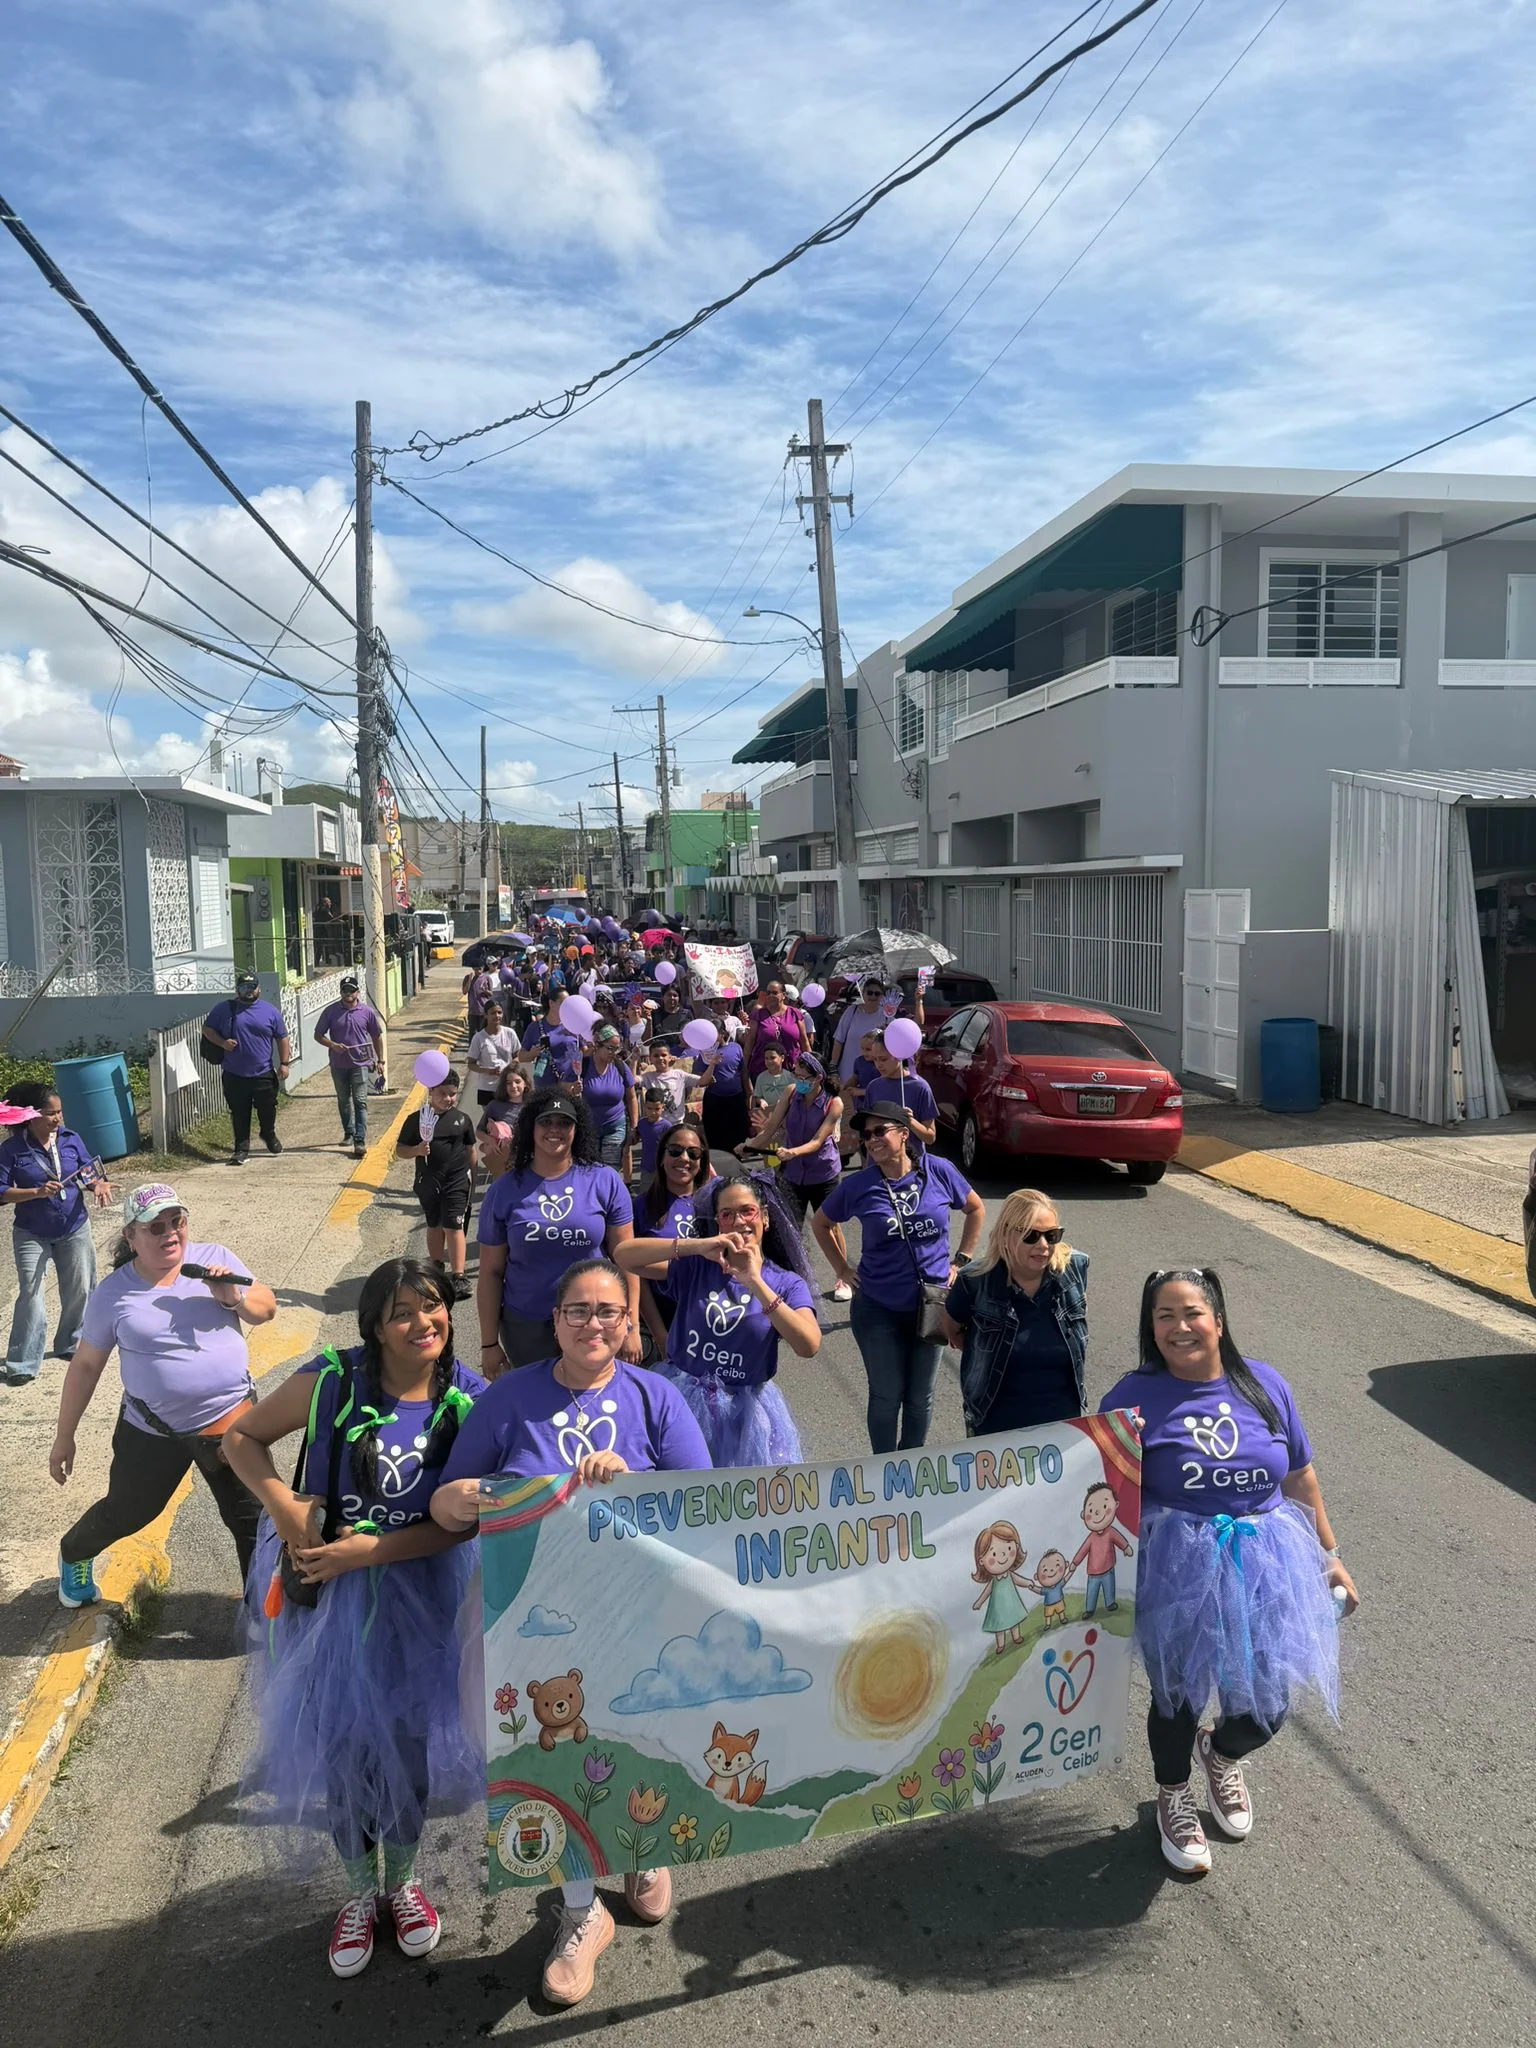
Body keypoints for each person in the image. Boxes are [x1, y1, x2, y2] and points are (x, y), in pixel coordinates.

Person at [431, 1258, 710, 2009]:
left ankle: (644, 1854)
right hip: (526, 1624)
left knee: (639, 1741)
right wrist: (470, 1496)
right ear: (554, 1321)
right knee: (549, 1761)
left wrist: (636, 1487)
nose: (594, 1324)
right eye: (578, 1311)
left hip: (632, 1614)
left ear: (629, 1323)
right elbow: (447, 1504)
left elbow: (704, 1508)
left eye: (609, 1312)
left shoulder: (658, 1400)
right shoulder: (507, 1399)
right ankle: (581, 1908)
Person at [226, 1258, 484, 1977]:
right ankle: (353, 1894)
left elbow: (462, 1527)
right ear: (374, 1324)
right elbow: (240, 1440)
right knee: (343, 1746)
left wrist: (370, 1554)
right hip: (330, 1604)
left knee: (404, 1745)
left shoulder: (466, 1397)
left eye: (433, 1306)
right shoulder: (332, 1379)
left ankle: (400, 1885)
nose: (422, 1322)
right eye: (403, 1311)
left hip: (419, 1594)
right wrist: (286, 1509)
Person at [1100, 1267, 1358, 1876]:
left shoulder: (1264, 1384)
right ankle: (1173, 1795)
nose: (1179, 1327)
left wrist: (1330, 1554)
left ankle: (1221, 1753)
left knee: (1265, 1708)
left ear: (1217, 1318)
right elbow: (1103, 1488)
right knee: (1177, 1698)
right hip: (1176, 1565)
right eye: (1164, 1316)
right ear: (1150, 1327)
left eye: (1191, 1312)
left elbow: (1298, 1476)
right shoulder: (1130, 1398)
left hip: (1268, 1561)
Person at [49, 1184, 276, 1605]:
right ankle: (74, 1551)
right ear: (130, 1238)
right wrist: (65, 1436)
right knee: (129, 1510)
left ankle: (261, 1610)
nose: (170, 1233)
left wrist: (233, 1297)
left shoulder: (214, 1259)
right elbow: (85, 1367)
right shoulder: (114, 1293)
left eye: (177, 1222)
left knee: (253, 1520)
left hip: (231, 1421)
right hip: (153, 1429)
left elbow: (266, 1308)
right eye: (155, 1227)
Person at [614, 1170, 819, 1466]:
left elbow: (808, 1345)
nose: (738, 1221)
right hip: (682, 1399)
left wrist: (756, 1283)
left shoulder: (786, 1283)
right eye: (726, 1214)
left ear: (765, 1217)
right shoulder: (697, 1266)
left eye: (747, 1211)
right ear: (717, 1222)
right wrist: (696, 1246)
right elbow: (624, 1256)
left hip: (745, 1414)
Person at [813, 1102, 985, 1454]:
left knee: (921, 1396)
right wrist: (842, 1269)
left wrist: (961, 1260)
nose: (871, 1140)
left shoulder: (939, 1172)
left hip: (933, 1304)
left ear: (904, 1134)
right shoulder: (859, 1185)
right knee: (887, 1395)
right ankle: (884, 1470)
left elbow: (975, 1208)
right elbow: (821, 1223)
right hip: (878, 1309)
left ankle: (911, 1468)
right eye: (866, 1135)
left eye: (880, 1132)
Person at [474, 1091, 640, 1373]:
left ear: (577, 1130)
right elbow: (490, 1272)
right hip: (527, 1326)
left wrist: (631, 1324)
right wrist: (489, 1344)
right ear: (531, 1128)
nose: (555, 1129)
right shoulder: (504, 1190)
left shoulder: (605, 1181)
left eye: (564, 1123)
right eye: (546, 1121)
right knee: (536, 1411)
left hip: (594, 1322)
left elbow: (627, 1259)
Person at [941, 1190, 1088, 1435]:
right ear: (1006, 1235)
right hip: (995, 1425)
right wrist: (985, 1346)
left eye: (1052, 1235)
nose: (1043, 1245)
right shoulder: (975, 1281)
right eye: (1031, 1235)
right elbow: (952, 1331)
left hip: (1063, 1425)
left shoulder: (1075, 1270)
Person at [1, 1083, 113, 1386]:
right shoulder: (12, 1150)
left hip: (73, 1226)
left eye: (60, 1112)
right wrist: (34, 1192)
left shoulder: (70, 1139)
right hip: (31, 1232)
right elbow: (1, 1191)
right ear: (32, 1116)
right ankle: (22, 1362)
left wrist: (98, 1185)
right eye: (51, 1113)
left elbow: (89, 1171)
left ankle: (70, 1343)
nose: (58, 1119)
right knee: (31, 1292)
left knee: (80, 1288)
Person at [740, 1054, 846, 1285]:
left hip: (823, 1172)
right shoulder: (790, 1092)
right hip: (793, 1173)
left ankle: (842, 1276)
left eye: (803, 1077)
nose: (798, 1081)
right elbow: (770, 1128)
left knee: (830, 1224)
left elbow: (818, 1141)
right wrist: (749, 1145)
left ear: (819, 1077)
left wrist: (793, 1152)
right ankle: (794, 1276)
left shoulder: (833, 1103)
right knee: (790, 1226)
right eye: (796, 1075)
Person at [396, 1072, 477, 1296]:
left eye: (452, 1094)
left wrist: (473, 1176)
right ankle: (436, 1265)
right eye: (442, 1093)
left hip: (457, 1181)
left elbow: (471, 1150)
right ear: (430, 1091)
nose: (447, 1099)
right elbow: (400, 1149)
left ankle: (459, 1275)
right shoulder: (416, 1120)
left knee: (453, 1225)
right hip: (429, 1181)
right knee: (434, 1224)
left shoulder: (461, 1120)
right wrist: (417, 1150)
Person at [203, 971, 291, 1165]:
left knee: (267, 1109)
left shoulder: (270, 1011)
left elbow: (282, 1037)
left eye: (251, 988)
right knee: (239, 1113)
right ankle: (241, 1149)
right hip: (235, 1074)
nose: (248, 991)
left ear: (258, 989)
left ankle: (268, 1133)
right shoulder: (224, 1009)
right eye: (244, 988)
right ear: (237, 990)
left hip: (263, 1072)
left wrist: (284, 1063)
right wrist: (223, 1043)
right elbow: (207, 1029)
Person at [313, 974, 385, 1159]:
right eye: (345, 991)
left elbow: (377, 1036)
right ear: (341, 992)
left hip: (360, 1064)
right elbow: (318, 1034)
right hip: (338, 1065)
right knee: (344, 1100)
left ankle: (359, 1140)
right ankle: (349, 1132)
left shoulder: (366, 1012)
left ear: (357, 992)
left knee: (360, 1101)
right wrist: (332, 1045)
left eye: (351, 990)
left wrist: (380, 1061)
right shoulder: (331, 1011)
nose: (348, 994)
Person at [580, 1024, 638, 1172]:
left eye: (617, 1048)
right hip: (589, 1128)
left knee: (609, 1171)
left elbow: (631, 1097)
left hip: (615, 1126)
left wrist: (634, 1126)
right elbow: (566, 1089)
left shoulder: (620, 1066)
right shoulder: (583, 1066)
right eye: (610, 1048)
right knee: (589, 1170)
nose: (614, 1053)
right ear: (597, 1046)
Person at [864, 1038, 938, 1147]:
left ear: (899, 1056)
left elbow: (930, 1137)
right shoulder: (873, 1087)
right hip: (880, 1160)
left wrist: (911, 1122)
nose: (878, 1065)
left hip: (910, 1161)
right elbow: (867, 1131)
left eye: (883, 1059)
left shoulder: (920, 1087)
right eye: (874, 1059)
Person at [693, 1029, 749, 1154]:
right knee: (715, 1134)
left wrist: (749, 1094)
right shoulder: (704, 1053)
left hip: (736, 1097)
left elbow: (744, 1072)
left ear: (722, 1033)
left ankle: (737, 1162)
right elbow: (699, 1076)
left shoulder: (736, 1047)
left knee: (738, 1132)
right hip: (714, 1098)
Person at [743, 980, 810, 1078]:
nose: (770, 995)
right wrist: (744, 1070)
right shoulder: (758, 1015)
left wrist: (811, 1066)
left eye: (774, 993)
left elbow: (805, 1043)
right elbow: (749, 1044)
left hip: (792, 1071)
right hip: (762, 1071)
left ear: (783, 995)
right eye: (768, 993)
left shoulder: (795, 1013)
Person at [519, 992, 581, 1089]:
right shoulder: (535, 1027)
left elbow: (584, 1051)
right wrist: (533, 1053)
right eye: (563, 1003)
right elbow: (521, 1057)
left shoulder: (573, 1025)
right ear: (551, 1003)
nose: (567, 1007)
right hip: (546, 1086)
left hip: (570, 1085)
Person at [466, 997, 518, 1109]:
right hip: (486, 1088)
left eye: (499, 1012)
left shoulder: (510, 1033)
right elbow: (471, 1064)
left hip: (507, 1086)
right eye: (493, 1013)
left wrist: (509, 1068)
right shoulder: (478, 1038)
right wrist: (487, 1071)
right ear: (486, 1015)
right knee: (490, 1122)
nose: (497, 1016)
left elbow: (518, 1056)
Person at [749, 1042, 794, 1132]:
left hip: (786, 1116)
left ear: (782, 1058)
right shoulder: (761, 1077)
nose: (769, 1061)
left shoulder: (790, 1077)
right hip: (767, 1117)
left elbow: (795, 1097)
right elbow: (757, 1096)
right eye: (766, 1058)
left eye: (773, 1058)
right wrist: (761, 1101)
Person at [635, 1086, 676, 1183]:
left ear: (662, 1108)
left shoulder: (666, 1126)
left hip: (663, 1169)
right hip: (646, 1168)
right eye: (649, 1108)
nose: (653, 1112)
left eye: (657, 1109)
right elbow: (635, 1137)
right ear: (644, 1106)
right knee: (646, 1195)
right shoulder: (641, 1124)